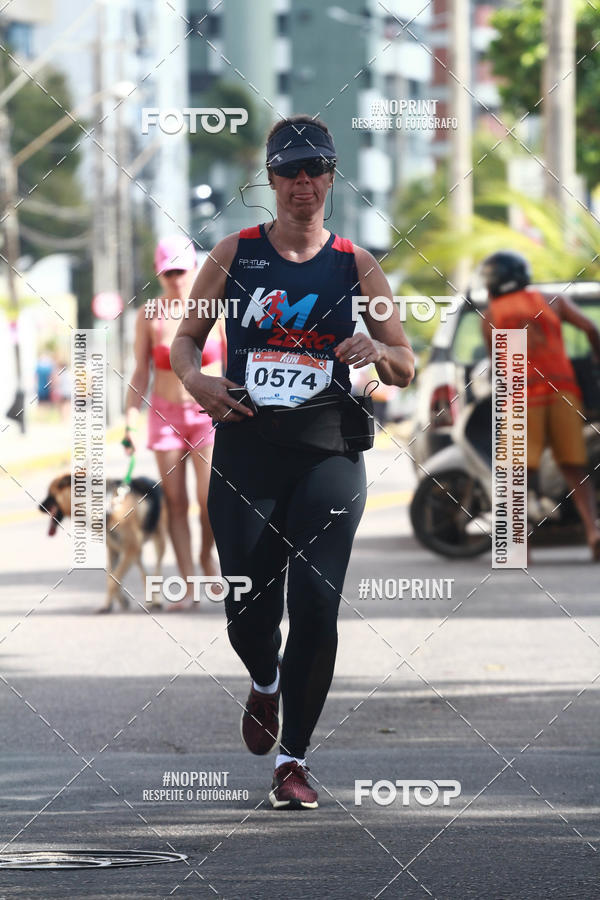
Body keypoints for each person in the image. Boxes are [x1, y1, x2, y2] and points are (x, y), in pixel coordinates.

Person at [171, 115, 414, 808]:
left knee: (317, 605)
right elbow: (186, 341)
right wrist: (198, 382)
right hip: (247, 449)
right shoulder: (233, 253)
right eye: (289, 172)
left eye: (314, 171)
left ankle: (294, 760)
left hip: (328, 452)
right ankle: (265, 680)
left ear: (332, 178)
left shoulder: (356, 264)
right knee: (250, 609)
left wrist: (378, 352)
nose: (302, 183)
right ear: (271, 181)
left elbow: (405, 363)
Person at [124, 236, 225, 610]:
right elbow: (140, 371)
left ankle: (205, 555)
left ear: (194, 269)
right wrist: (130, 420)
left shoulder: (216, 311)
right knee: (176, 503)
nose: (176, 278)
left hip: (208, 415)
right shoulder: (150, 314)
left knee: (210, 499)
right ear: (159, 274)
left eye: (181, 270)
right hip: (164, 416)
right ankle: (186, 582)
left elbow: (236, 363)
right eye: (168, 272)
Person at [480, 250, 600, 559]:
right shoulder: (551, 299)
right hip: (563, 392)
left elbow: (497, 363)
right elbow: (589, 327)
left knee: (516, 473)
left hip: (521, 397)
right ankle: (593, 530)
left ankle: (521, 546)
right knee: (574, 467)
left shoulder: (492, 314)